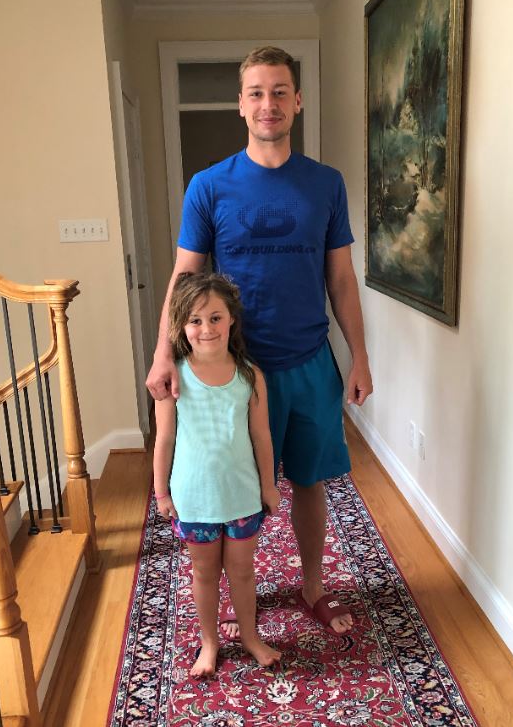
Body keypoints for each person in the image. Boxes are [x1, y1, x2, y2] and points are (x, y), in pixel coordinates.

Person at [147, 46, 373, 640]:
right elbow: (184, 278)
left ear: (297, 102)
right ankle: (233, 599)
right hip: (230, 369)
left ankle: (313, 587)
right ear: (240, 105)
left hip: (308, 361)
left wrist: (359, 357)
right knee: (228, 485)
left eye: (278, 92)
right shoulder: (208, 186)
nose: (267, 103)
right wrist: (164, 354)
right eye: (256, 93)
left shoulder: (325, 184)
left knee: (308, 481)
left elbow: (341, 279)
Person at [153, 272, 281, 677]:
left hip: (242, 496)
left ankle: (250, 637)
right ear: (181, 326)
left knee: (243, 572)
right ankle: (210, 643)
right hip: (194, 499)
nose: (206, 328)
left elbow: (261, 436)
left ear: (231, 320)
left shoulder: (250, 376)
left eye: (214, 318)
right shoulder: (173, 379)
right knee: (204, 574)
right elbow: (164, 440)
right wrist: (161, 493)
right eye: (195, 320)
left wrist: (268, 485)